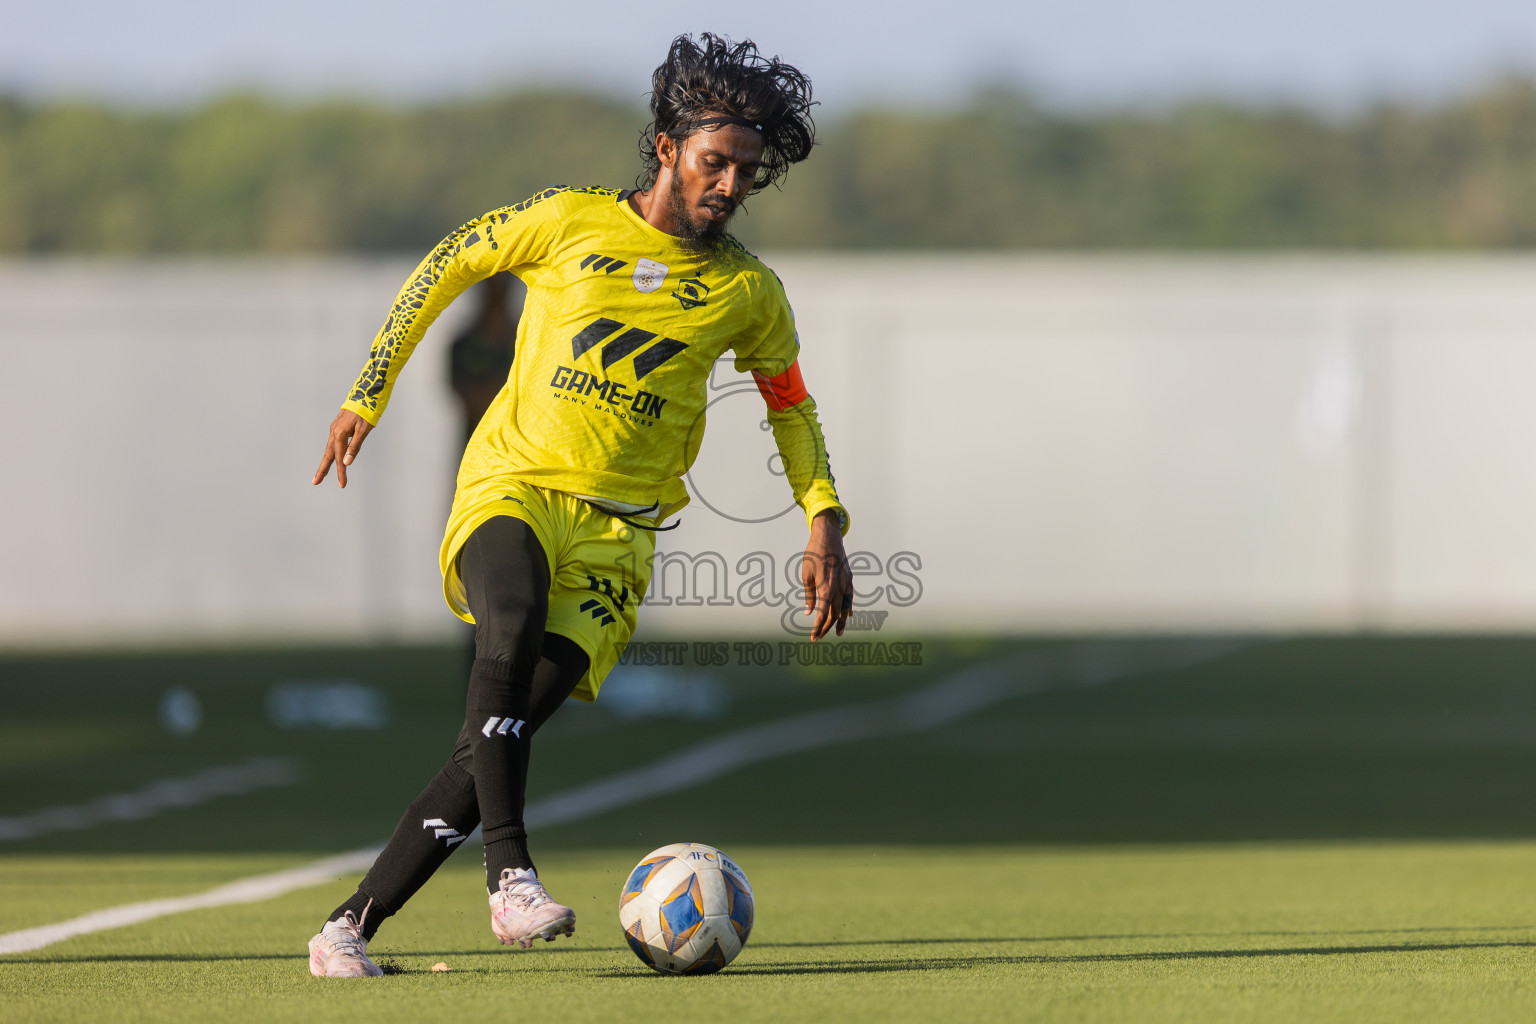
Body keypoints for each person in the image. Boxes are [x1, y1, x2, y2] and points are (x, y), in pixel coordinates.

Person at [305, 32, 853, 979]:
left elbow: (792, 407)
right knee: (505, 628)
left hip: (618, 541)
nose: (728, 185)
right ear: (667, 145)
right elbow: (446, 265)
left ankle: (346, 928)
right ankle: (510, 878)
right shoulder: (565, 221)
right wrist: (368, 391)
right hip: (511, 488)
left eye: (746, 173)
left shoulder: (748, 292)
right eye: (714, 161)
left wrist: (824, 519)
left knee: (494, 740)